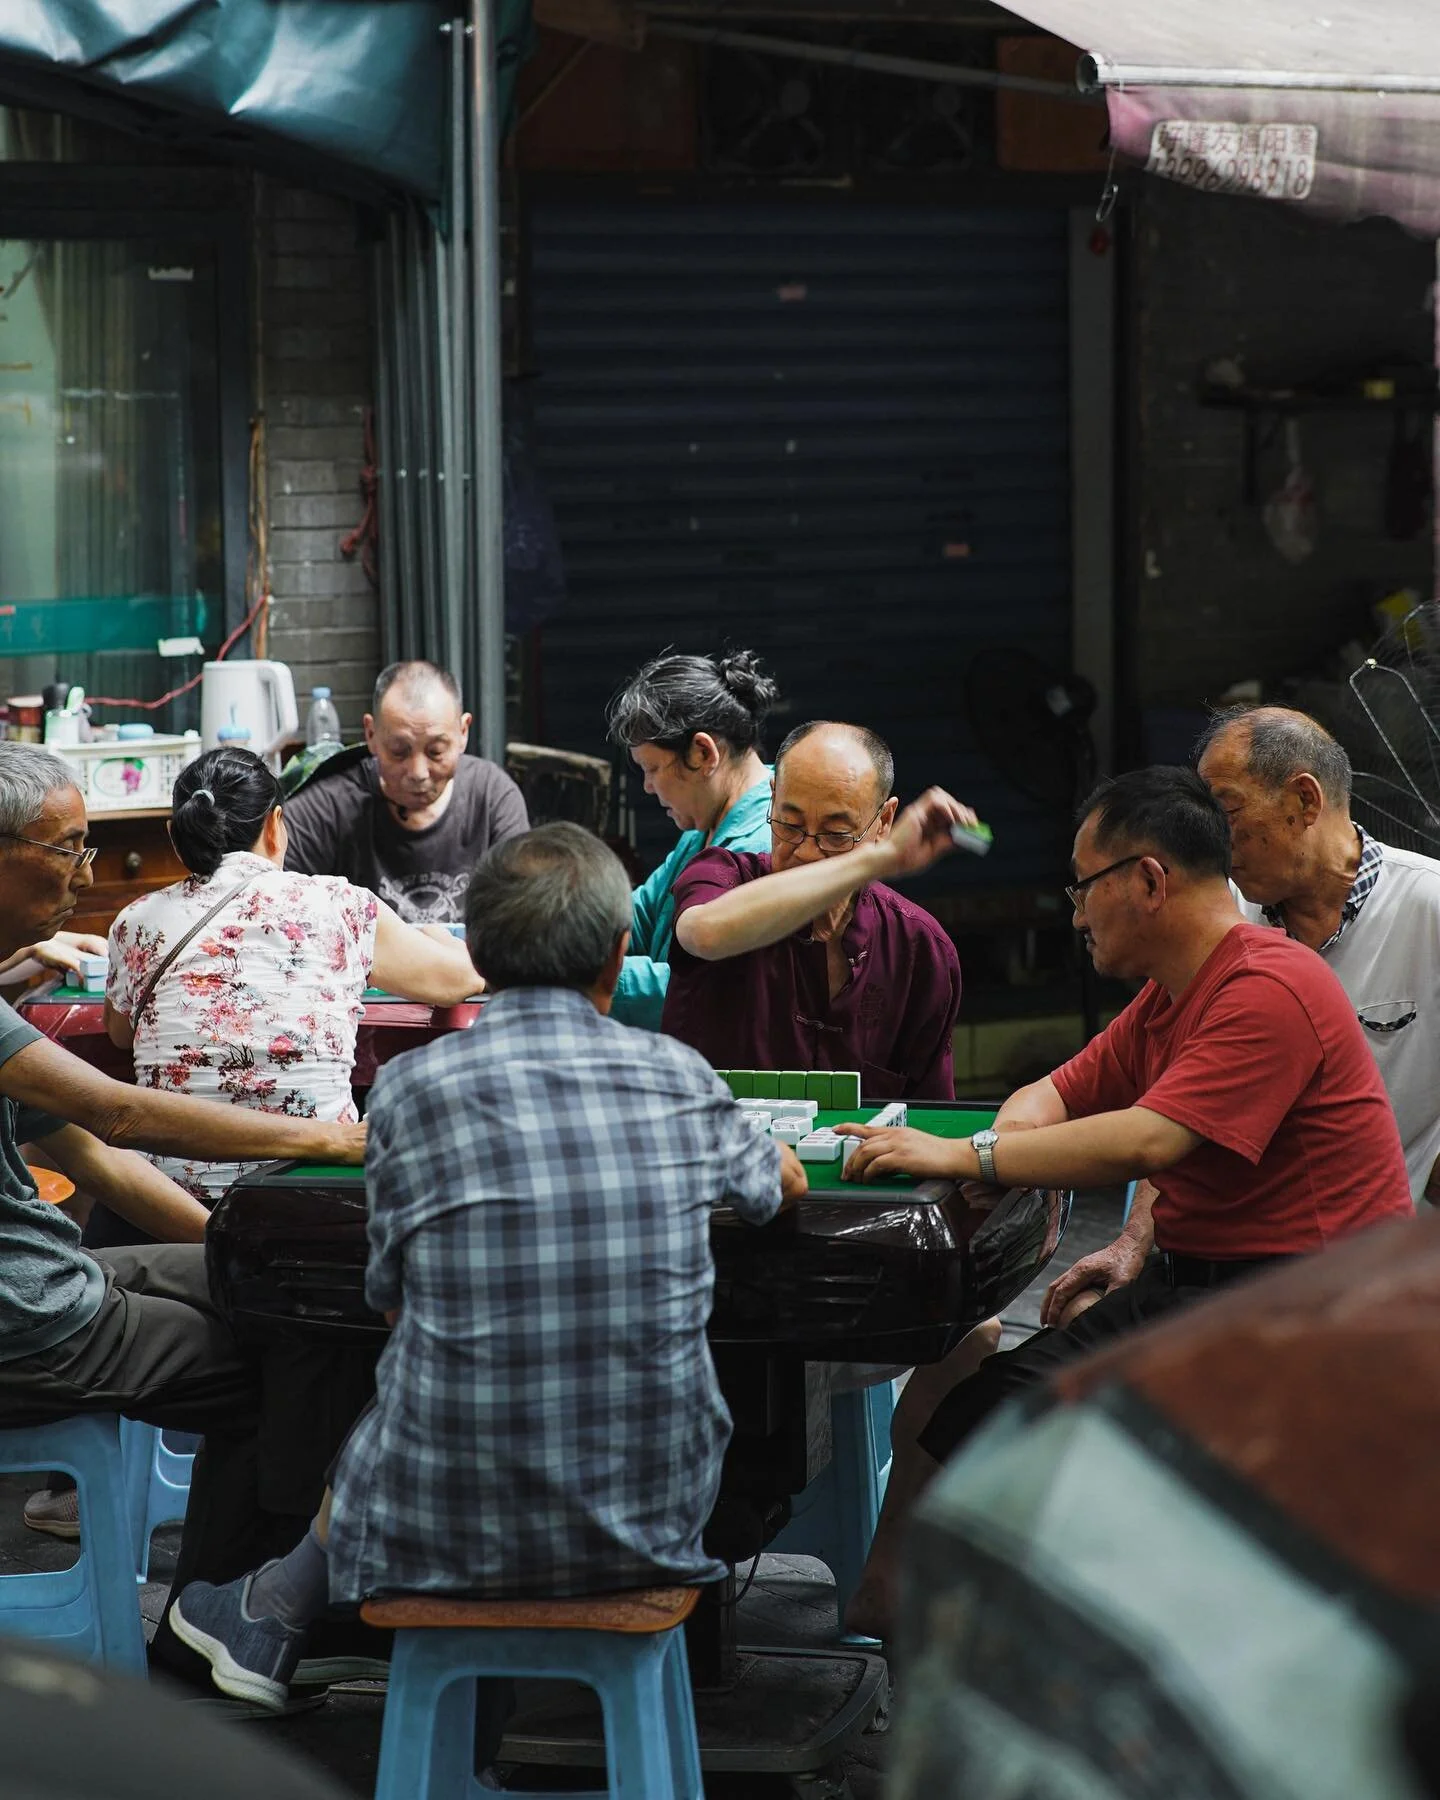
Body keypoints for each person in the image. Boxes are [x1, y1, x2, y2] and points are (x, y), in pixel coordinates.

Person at [167, 822, 808, 1726]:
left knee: (418, 1377)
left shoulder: (408, 1092)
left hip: (440, 1524)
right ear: (618, 957)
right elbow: (779, 1185)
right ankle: (274, 1606)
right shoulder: (680, 1078)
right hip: (657, 1524)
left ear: (475, 953)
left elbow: (393, 1304)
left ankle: (275, 1606)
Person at [838, 765, 1413, 1639]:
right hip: (1203, 1290)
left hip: (1306, 1313)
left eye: (1083, 887)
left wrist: (967, 1152)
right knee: (954, 1412)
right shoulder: (1169, 998)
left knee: (1041, 1455)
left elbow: (1150, 1139)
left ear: (1149, 880)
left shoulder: (1269, 985)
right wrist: (992, 1162)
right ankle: (887, 1609)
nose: (1074, 915)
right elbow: (1053, 1095)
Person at [0, 742, 370, 1683]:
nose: (85, 871)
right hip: (31, 1315)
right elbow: (116, 1113)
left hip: (44, 1272)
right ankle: (221, 1629)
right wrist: (332, 1142)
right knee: (283, 1366)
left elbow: (96, 1158)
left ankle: (240, 1613)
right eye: (68, 849)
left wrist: (243, 1255)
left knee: (273, 1299)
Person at [105, 746, 481, 1204]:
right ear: (275, 825)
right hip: (307, 1194)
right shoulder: (338, 905)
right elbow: (460, 979)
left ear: (176, 834)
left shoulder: (134, 922)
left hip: (168, 1201)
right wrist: (433, 935)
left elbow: (121, 1036)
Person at [1195, 702, 1440, 1204]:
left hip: (1388, 1248)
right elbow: (1178, 1097)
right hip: (1251, 1239)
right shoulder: (1220, 918)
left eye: (1226, 811)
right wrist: (1133, 1240)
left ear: (1306, 800)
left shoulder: (1429, 905)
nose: (1215, 842)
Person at [662, 720, 971, 1098]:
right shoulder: (720, 875)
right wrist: (881, 859)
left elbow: (929, 1118)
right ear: (772, 799)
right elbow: (704, 933)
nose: (807, 851)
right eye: (789, 825)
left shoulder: (919, 948)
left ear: (884, 821)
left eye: (836, 835)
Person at [605, 647, 778, 1029]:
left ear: (703, 752)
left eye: (651, 768)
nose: (648, 787)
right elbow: (635, 916)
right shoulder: (702, 831)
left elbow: (701, 988)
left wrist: (553, 975)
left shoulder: (767, 845)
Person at [281, 660, 529, 923]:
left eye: (436, 752)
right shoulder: (326, 809)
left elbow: (522, 915)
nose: (418, 772)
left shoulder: (492, 796)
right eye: (399, 751)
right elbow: (267, 903)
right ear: (371, 734)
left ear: (463, 732)